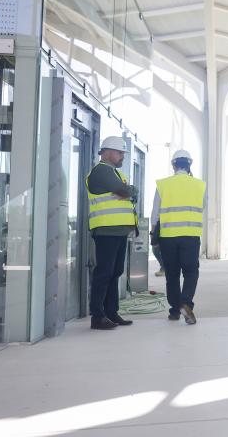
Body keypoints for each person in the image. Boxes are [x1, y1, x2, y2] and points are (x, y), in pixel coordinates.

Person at [85, 136, 138, 330]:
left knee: (115, 272)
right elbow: (124, 190)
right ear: (107, 152)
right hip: (106, 230)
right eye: (120, 152)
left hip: (118, 230)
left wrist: (129, 191)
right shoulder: (101, 171)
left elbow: (130, 192)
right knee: (104, 272)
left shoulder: (114, 173)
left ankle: (111, 312)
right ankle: (98, 316)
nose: (122, 155)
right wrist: (127, 191)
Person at [151, 149, 205, 325]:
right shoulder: (200, 185)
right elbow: (203, 206)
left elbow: (155, 214)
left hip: (168, 236)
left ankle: (174, 311)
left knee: (172, 274)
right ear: (190, 164)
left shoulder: (163, 184)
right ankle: (186, 303)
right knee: (191, 272)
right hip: (190, 235)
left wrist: (154, 234)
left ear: (173, 164)